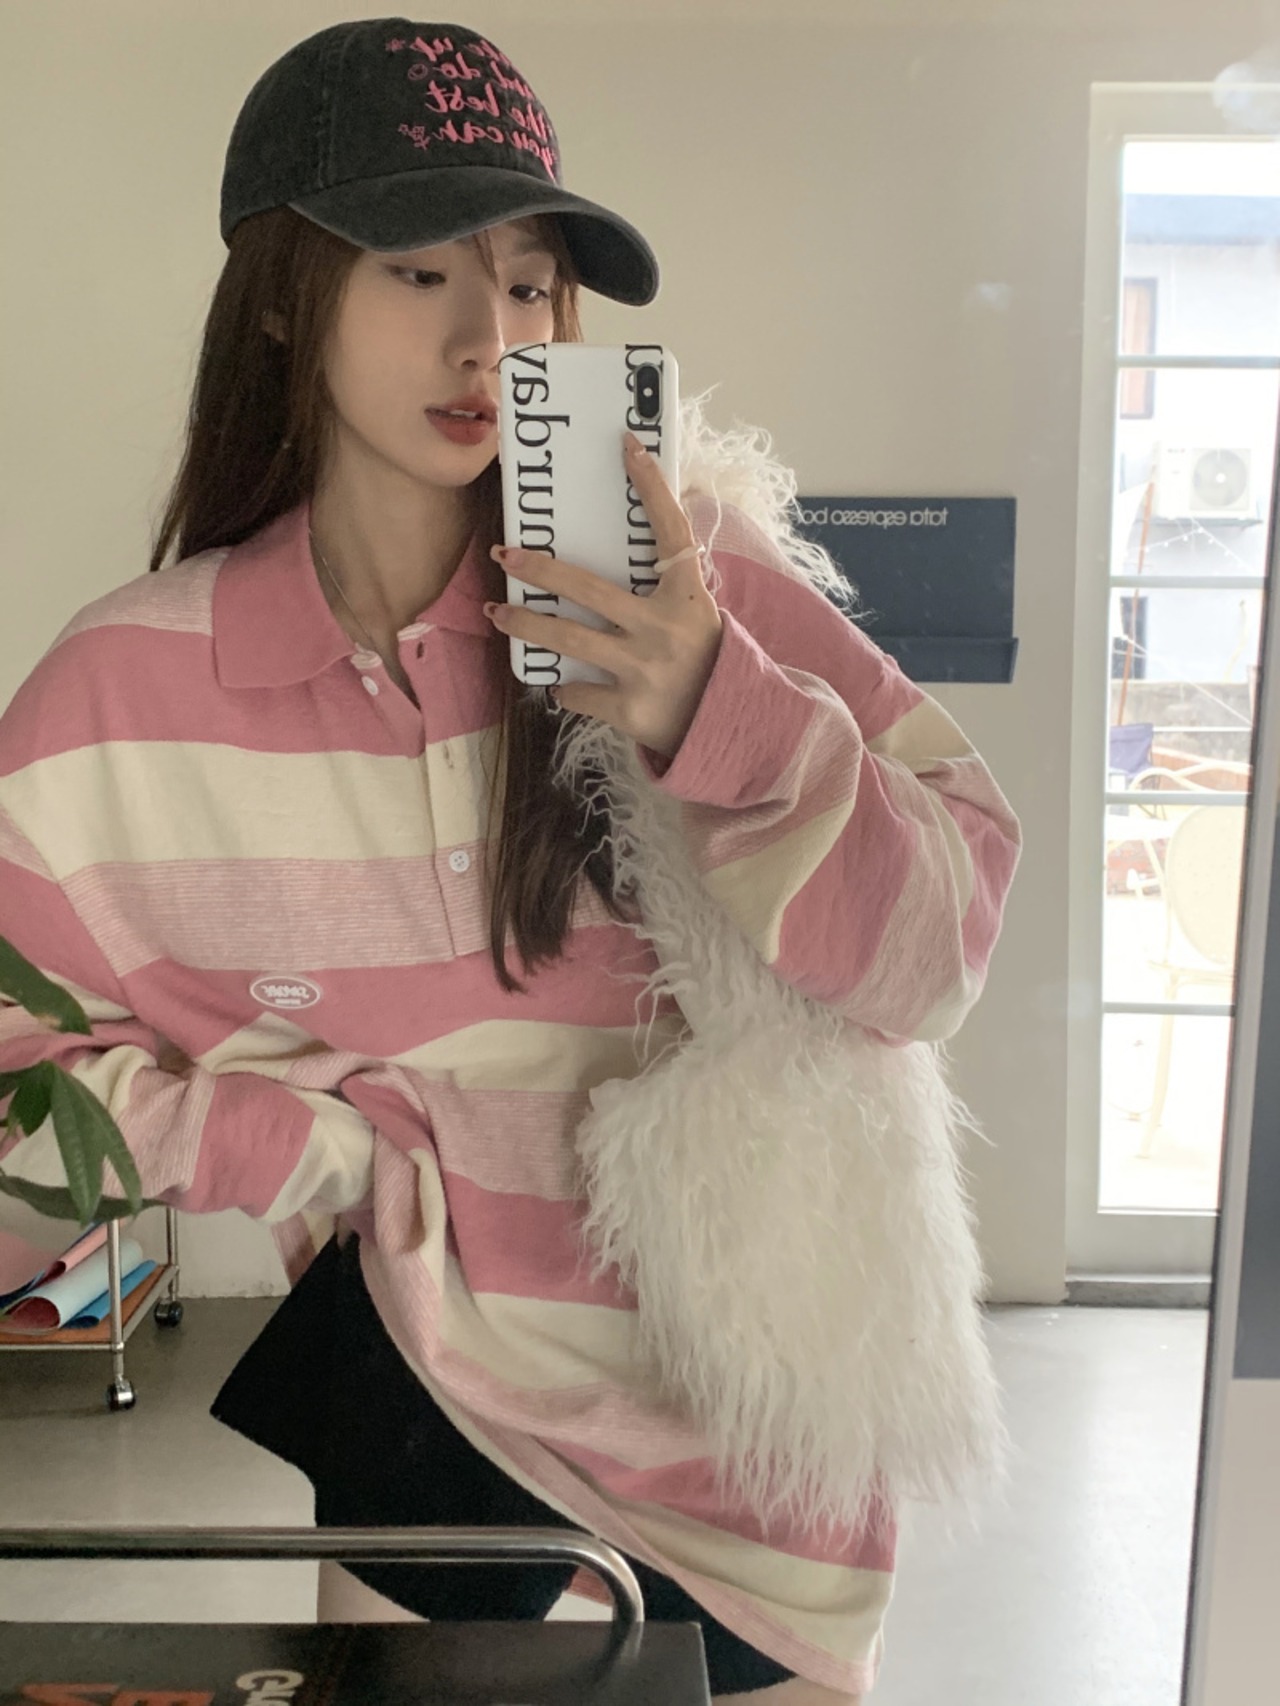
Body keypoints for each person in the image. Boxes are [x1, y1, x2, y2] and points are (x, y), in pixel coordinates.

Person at [0, 18, 1022, 1703]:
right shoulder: (121, 695)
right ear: (282, 296)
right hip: (435, 1431)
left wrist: (711, 702)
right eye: (418, 271)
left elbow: (942, 950)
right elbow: (18, 1072)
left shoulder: (693, 584)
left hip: (762, 1468)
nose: (490, 337)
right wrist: (309, 1148)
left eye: (533, 281)